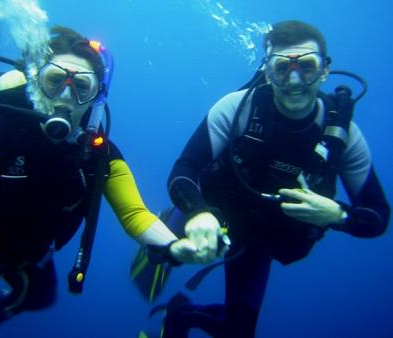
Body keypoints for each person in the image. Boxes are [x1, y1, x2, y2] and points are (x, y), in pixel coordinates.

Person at [0, 26, 200, 333]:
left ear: (96, 97)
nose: (66, 95)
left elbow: (135, 214)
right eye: (54, 81)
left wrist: (174, 246)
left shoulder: (98, 156)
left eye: (81, 86)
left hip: (23, 256)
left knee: (40, 297)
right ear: (37, 83)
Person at [161, 20, 390, 337]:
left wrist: (338, 215)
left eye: (307, 67)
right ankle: (168, 227)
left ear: (325, 70)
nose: (294, 80)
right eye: (282, 68)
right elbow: (184, 169)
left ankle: (179, 314)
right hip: (215, 208)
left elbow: (378, 215)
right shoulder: (237, 108)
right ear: (267, 72)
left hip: (259, 239)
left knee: (238, 332)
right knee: (159, 253)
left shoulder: (343, 136)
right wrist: (197, 210)